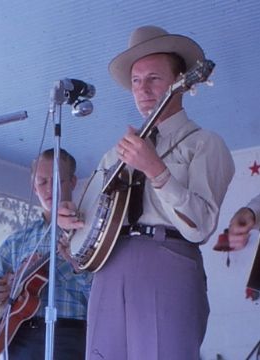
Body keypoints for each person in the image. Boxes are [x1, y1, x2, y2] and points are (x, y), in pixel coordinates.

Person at [60, 25, 235, 360]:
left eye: (154, 78)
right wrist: (72, 220)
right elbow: (87, 227)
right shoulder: (115, 154)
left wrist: (155, 169)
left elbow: (199, 226)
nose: (143, 89)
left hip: (166, 258)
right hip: (108, 268)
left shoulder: (205, 143)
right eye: (136, 82)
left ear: (180, 81)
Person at [0, 148, 92, 360]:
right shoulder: (19, 239)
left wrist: (76, 266)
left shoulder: (89, 230)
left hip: (70, 334)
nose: (50, 188)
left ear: (73, 182)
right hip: (18, 336)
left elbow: (103, 296)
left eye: (57, 180)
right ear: (33, 187)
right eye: (42, 182)